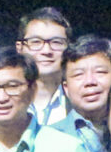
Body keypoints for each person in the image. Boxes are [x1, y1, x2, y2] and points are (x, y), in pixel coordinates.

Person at [58, 35, 111, 152]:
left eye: (100, 72)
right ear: (66, 88)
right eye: (78, 74)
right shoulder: (48, 138)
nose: (90, 81)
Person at [18, 7, 74, 135]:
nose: (46, 51)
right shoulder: (0, 102)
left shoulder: (80, 102)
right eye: (36, 42)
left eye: (57, 42)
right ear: (19, 48)